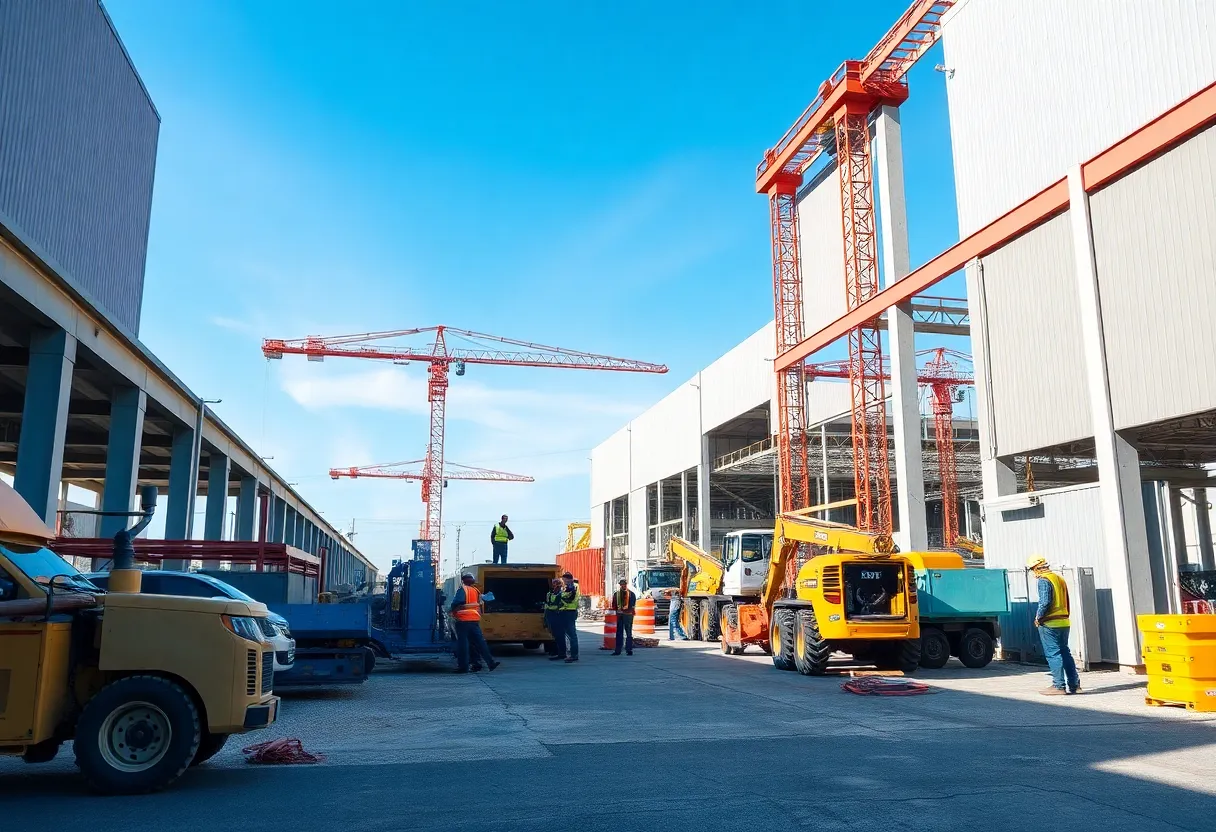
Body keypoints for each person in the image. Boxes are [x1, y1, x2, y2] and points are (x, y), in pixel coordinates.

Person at [1028, 556, 1080, 695]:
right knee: (1065, 653)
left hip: (1050, 622)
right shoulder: (1059, 578)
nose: (1033, 573)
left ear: (1036, 568)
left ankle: (1058, 686)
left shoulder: (1044, 580)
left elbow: (1045, 602)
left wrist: (1038, 617)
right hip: (1064, 621)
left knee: (1053, 654)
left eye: (1032, 570)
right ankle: (1074, 685)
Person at [450, 573, 500, 674]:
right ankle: (491, 663)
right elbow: (484, 601)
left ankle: (463, 668)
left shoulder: (462, 590)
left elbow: (456, 603)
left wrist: (452, 610)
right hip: (474, 620)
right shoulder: (476, 591)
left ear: (463, 581)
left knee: (463, 644)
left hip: (463, 621)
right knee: (480, 643)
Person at [548, 571, 580, 663]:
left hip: (569, 612)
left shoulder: (574, 586)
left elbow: (568, 597)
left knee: (571, 634)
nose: (563, 582)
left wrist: (561, 595)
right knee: (559, 634)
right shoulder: (565, 587)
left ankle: (574, 655)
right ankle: (562, 653)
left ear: (568, 579)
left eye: (564, 580)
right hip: (562, 612)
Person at [610, 578, 637, 656]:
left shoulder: (631, 594)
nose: (623, 586)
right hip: (620, 616)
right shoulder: (616, 594)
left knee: (628, 633)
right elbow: (614, 605)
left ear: (626, 584)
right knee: (619, 633)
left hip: (627, 615)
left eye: (624, 584)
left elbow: (632, 605)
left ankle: (628, 649)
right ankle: (618, 650)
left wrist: (626, 611)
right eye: (621, 584)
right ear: (620, 585)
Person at [543, 577, 563, 654]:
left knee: (558, 634)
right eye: (554, 583)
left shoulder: (561, 594)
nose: (554, 585)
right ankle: (555, 650)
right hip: (550, 614)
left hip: (557, 614)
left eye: (556, 584)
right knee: (553, 633)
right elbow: (548, 604)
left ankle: (559, 651)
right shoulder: (550, 593)